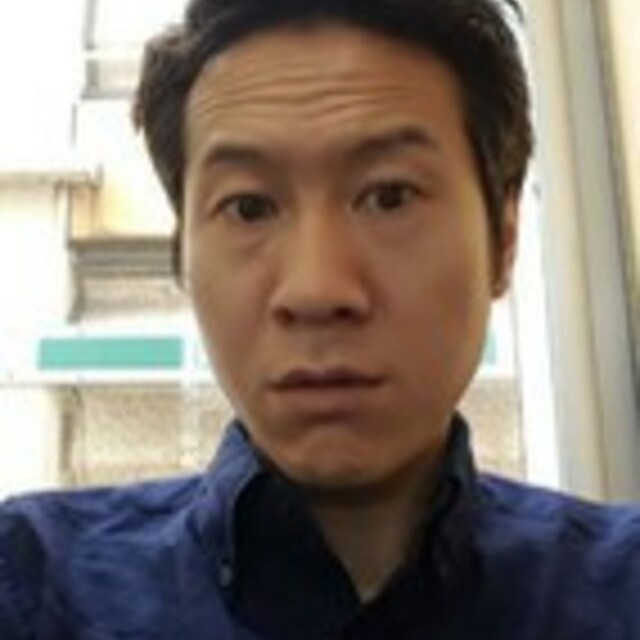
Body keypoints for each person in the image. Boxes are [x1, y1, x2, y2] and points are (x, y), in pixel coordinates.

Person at [1, 0, 639, 637]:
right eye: (249, 208)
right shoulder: (32, 584)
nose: (316, 289)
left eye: (389, 196)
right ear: (183, 258)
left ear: (505, 237)